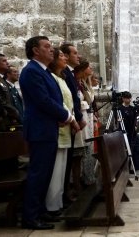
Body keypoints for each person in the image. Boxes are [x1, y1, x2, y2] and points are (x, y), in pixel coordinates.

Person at [20, 36, 74, 230]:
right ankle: (30, 217)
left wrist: (58, 116)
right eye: (47, 47)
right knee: (38, 174)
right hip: (40, 130)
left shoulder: (43, 71)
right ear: (36, 50)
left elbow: (53, 99)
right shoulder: (31, 71)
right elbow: (43, 100)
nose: (52, 50)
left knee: (45, 174)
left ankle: (40, 211)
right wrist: (66, 116)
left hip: (48, 127)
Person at [45, 48, 80, 216]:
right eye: (61, 56)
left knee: (62, 168)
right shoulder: (51, 78)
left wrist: (72, 117)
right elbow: (58, 102)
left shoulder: (62, 78)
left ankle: (58, 203)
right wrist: (71, 119)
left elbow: (70, 101)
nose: (65, 58)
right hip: (60, 126)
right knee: (56, 169)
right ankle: (51, 206)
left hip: (66, 125)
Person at [60, 42, 86, 204]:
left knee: (69, 161)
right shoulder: (65, 73)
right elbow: (69, 98)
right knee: (66, 163)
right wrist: (76, 117)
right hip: (68, 120)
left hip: (73, 119)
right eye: (75, 53)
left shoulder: (68, 73)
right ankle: (63, 195)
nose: (79, 56)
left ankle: (64, 195)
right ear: (66, 56)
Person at [73, 59, 96, 191]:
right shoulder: (77, 82)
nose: (91, 69)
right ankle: (78, 181)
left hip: (86, 116)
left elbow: (88, 99)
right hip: (80, 117)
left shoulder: (83, 83)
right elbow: (83, 100)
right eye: (88, 67)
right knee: (79, 152)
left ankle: (86, 177)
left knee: (86, 149)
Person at [118, 91, 139, 175]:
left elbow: (137, 117)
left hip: (133, 132)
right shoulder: (119, 109)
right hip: (123, 132)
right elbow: (117, 120)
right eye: (127, 98)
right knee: (125, 151)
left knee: (137, 149)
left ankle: (138, 168)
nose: (128, 100)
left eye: (129, 98)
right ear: (123, 98)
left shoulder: (132, 108)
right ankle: (124, 169)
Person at [0, 54, 21, 131]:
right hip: (0, 118)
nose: (7, 63)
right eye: (4, 61)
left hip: (8, 118)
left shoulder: (2, 79)